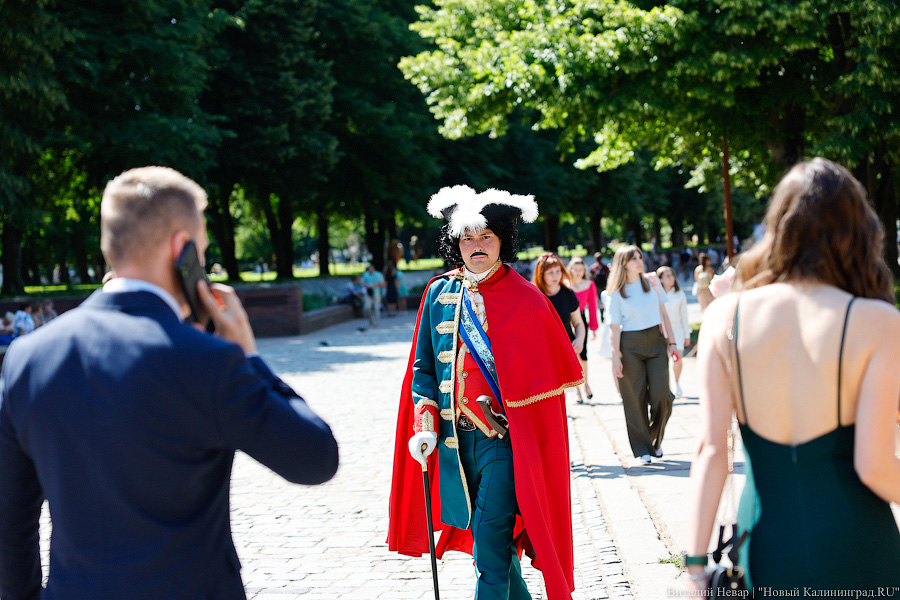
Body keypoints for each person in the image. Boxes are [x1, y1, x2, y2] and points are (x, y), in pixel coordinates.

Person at [0, 166, 339, 600]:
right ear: (182, 249)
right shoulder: (209, 360)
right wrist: (248, 354)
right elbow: (315, 457)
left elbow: (11, 515)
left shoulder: (27, 357)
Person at [684, 158, 900, 593]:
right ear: (857, 228)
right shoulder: (877, 320)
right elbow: (874, 465)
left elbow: (711, 451)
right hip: (858, 545)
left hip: (763, 544)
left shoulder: (726, 315)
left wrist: (694, 562)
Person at [388, 185, 583, 600]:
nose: (476, 246)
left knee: (490, 547)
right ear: (455, 242)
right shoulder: (438, 292)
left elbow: (545, 389)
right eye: (467, 237)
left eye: (486, 237)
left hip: (504, 444)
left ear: (501, 242)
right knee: (487, 543)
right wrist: (423, 425)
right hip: (453, 445)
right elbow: (423, 369)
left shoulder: (528, 299)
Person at [608, 245, 678, 465]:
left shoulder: (653, 282)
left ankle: (654, 439)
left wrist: (673, 342)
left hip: (656, 342)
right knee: (634, 397)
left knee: (662, 396)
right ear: (624, 264)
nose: (640, 261)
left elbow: (665, 315)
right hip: (629, 346)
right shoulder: (616, 292)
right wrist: (615, 357)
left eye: (640, 257)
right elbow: (615, 327)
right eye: (633, 258)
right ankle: (642, 449)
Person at [532, 253, 587, 403]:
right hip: (544, 354)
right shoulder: (534, 295)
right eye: (550, 272)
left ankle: (579, 392)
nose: (555, 276)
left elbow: (578, 322)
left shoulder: (567, 293)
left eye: (558, 271)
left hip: (566, 350)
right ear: (541, 274)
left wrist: (580, 339)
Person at [568, 256, 599, 399]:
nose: (579, 272)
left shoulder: (589, 284)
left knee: (583, 356)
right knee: (570, 357)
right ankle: (576, 389)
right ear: (571, 270)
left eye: (581, 269)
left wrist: (593, 328)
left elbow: (592, 307)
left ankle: (586, 384)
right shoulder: (566, 284)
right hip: (567, 320)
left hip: (581, 320)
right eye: (576, 269)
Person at [657, 266, 690, 397]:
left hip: (677, 330)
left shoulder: (679, 294)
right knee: (663, 359)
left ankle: (677, 382)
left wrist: (686, 334)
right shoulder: (657, 294)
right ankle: (666, 385)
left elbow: (684, 315)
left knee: (677, 358)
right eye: (667, 275)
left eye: (672, 275)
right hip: (661, 331)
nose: (671, 278)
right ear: (661, 279)